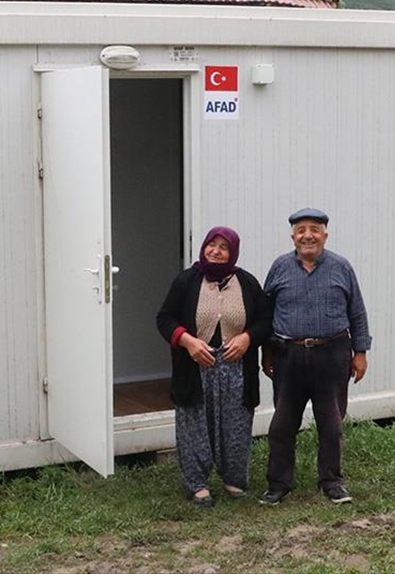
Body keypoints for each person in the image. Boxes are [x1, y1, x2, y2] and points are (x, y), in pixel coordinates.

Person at [260, 208, 371, 506]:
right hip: (289, 356)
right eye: (301, 230)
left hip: (332, 354)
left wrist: (360, 352)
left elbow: (357, 312)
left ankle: (332, 481)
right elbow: (266, 314)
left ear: (325, 235)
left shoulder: (341, 267)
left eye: (314, 229)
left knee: (331, 424)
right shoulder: (280, 268)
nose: (307, 235)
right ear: (293, 236)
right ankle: (279, 483)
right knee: (282, 424)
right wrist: (266, 351)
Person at [156, 227, 271, 507]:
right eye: (211, 245)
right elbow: (164, 318)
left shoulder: (247, 282)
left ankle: (235, 479)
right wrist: (187, 341)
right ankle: (198, 484)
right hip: (195, 367)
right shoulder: (186, 281)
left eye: (224, 247)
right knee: (194, 425)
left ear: (233, 253)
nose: (216, 251)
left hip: (236, 369)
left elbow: (265, 320)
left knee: (236, 425)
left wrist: (247, 338)